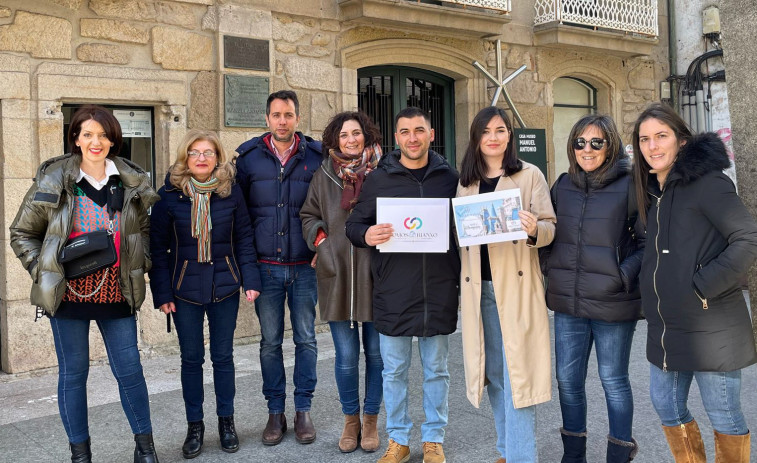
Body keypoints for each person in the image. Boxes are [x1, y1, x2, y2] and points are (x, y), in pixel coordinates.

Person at [9, 105, 160, 463]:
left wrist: (142, 262)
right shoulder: (55, 179)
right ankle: (80, 454)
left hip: (118, 292)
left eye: (104, 135)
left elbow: (146, 231)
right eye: (88, 134)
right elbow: (22, 233)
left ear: (113, 140)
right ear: (75, 138)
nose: (96, 142)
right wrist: (44, 270)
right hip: (69, 297)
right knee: (73, 376)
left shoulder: (130, 181)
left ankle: (146, 449)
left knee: (130, 372)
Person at [632, 103, 757, 462]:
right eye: (644, 140)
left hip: (711, 325)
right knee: (666, 406)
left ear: (682, 142)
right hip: (666, 325)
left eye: (661, 136)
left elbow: (748, 238)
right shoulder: (652, 189)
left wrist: (702, 286)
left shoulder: (708, 183)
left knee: (723, 415)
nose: (653, 147)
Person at [346, 107, 460, 463]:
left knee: (437, 371)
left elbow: (464, 229)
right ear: (396, 138)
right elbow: (354, 226)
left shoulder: (450, 178)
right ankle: (398, 439)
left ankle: (433, 439)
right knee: (393, 371)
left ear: (431, 134)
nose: (413, 137)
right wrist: (367, 233)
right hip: (393, 290)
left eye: (419, 130)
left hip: (438, 290)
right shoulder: (380, 179)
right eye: (405, 131)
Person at [149, 130, 262, 458]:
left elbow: (243, 237)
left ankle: (226, 421)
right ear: (186, 157)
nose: (201, 158)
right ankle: (194, 425)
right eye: (195, 152)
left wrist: (249, 279)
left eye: (208, 153)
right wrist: (162, 293)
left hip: (224, 284)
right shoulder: (168, 194)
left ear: (217, 157)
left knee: (223, 358)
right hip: (183, 289)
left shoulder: (231, 192)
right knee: (191, 359)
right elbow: (157, 249)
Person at [541, 114, 643, 463]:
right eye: (580, 142)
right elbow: (547, 234)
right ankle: (574, 455)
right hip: (568, 302)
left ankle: (618, 453)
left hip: (613, 303)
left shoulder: (631, 185)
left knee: (613, 381)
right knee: (568, 381)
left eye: (596, 142)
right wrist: (551, 270)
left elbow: (649, 242)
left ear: (610, 145)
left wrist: (622, 276)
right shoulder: (563, 184)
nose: (587, 149)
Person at [456, 106, 555, 463]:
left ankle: (521, 457)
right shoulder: (466, 182)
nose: (493, 138)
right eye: (486, 132)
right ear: (477, 138)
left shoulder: (530, 176)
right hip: (479, 291)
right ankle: (505, 450)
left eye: (500, 130)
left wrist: (533, 230)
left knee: (519, 380)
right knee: (494, 376)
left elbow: (550, 228)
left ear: (509, 136)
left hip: (515, 290)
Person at [235, 90, 323, 445]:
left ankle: (303, 410)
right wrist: (246, 266)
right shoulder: (248, 159)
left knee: (306, 339)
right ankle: (275, 412)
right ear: (267, 119)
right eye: (276, 115)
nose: (282, 121)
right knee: (270, 343)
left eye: (288, 114)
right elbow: (239, 216)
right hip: (266, 267)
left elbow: (327, 208)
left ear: (297, 118)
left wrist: (324, 245)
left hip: (305, 266)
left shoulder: (316, 158)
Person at [300, 111, 384, 453]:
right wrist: (321, 242)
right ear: (335, 140)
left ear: (366, 135)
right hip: (337, 275)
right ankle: (350, 420)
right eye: (344, 135)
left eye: (356, 133)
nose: (351, 140)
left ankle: (371, 421)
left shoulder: (384, 171)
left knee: (377, 355)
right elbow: (309, 215)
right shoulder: (323, 176)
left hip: (377, 273)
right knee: (347, 357)